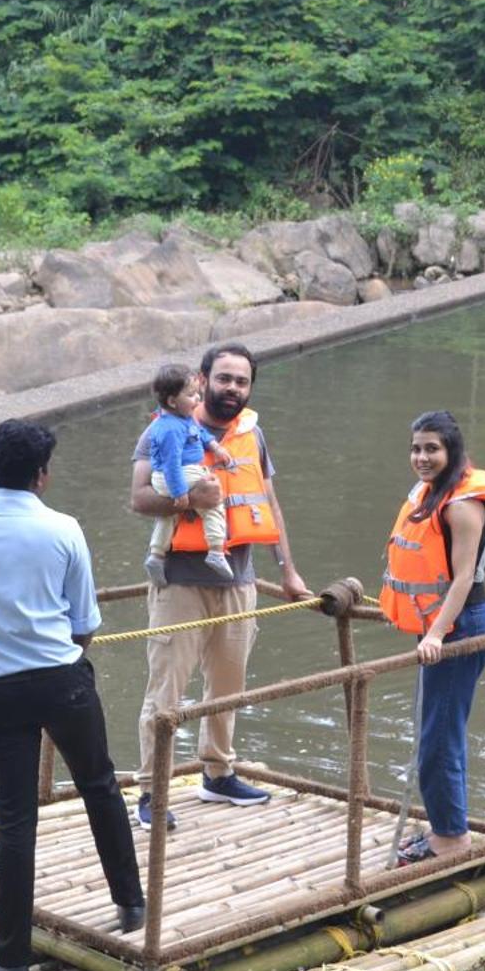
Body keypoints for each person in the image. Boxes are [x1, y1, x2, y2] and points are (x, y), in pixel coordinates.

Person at [0, 419, 145, 971]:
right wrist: (60, 658)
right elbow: (85, 622)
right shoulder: (64, 529)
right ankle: (131, 905)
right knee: (99, 785)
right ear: (42, 474)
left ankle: (12, 960)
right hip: (63, 679)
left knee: (14, 817)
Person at [127, 342, 313, 830]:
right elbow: (140, 498)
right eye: (223, 378)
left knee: (229, 686)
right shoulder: (162, 429)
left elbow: (269, 503)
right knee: (166, 691)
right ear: (201, 380)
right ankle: (151, 790)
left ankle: (218, 771)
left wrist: (289, 571)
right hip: (180, 583)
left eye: (242, 381)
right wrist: (189, 498)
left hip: (239, 581)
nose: (232, 388)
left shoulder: (252, 434)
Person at [378, 410, 485, 864]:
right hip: (439, 627)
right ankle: (444, 830)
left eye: (432, 448)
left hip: (462, 627)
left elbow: (461, 579)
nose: (422, 457)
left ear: (451, 451)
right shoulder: (429, 494)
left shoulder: (462, 505)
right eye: (416, 448)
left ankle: (452, 840)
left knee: (441, 738)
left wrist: (436, 633)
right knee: (434, 734)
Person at [141, 363, 236, 585]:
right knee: (213, 499)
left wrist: (214, 446)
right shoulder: (170, 429)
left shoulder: (184, 419)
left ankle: (156, 555)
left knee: (167, 516)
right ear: (173, 401)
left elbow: (200, 433)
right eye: (192, 395)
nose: (198, 399)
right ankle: (215, 549)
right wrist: (180, 492)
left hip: (170, 476)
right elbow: (171, 462)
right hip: (177, 474)